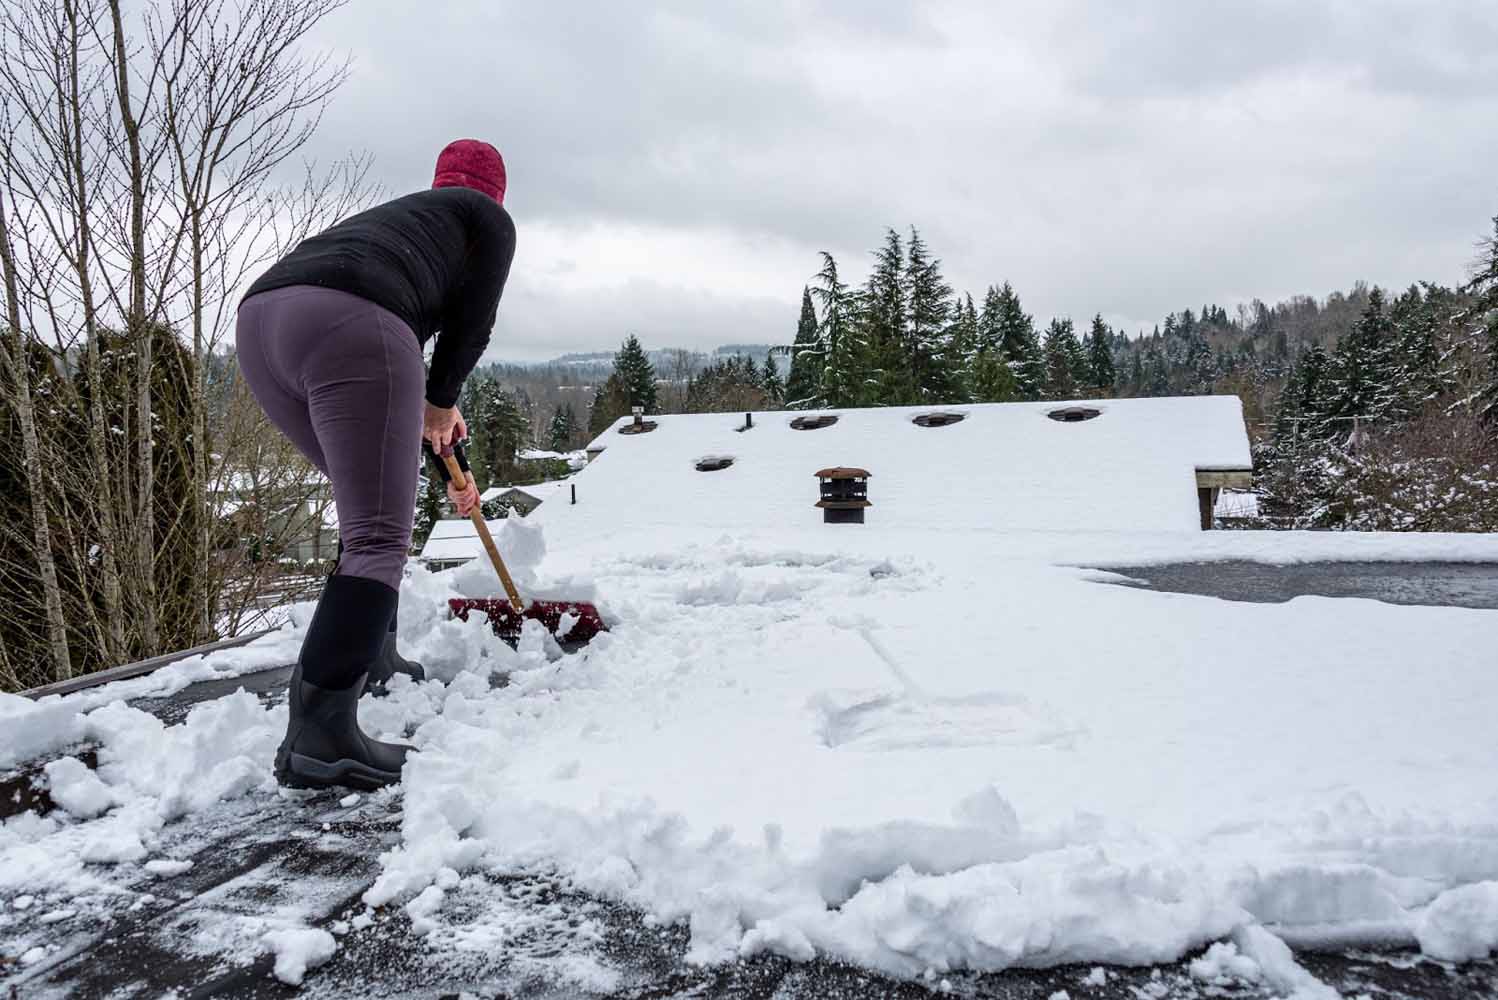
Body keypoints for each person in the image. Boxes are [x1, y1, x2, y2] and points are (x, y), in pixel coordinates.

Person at [236, 139, 516, 791]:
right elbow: (470, 330)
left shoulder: (408, 222)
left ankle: (375, 657)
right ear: (495, 191)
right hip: (356, 324)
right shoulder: (488, 221)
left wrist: (442, 433)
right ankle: (322, 738)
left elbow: (400, 406)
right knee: (378, 533)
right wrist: (442, 401)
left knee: (365, 511)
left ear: (439, 180)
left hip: (263, 322)